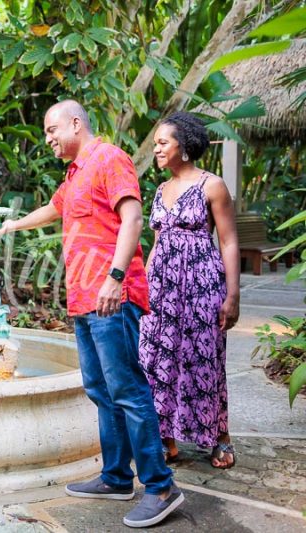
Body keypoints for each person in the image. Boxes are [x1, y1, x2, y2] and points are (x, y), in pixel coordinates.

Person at [0, 100, 184, 528]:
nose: (48, 138)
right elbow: (55, 209)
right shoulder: (76, 171)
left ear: (77, 123)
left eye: (51, 129)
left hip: (113, 296)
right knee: (100, 390)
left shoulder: (108, 158)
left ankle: (161, 486)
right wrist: (12, 225)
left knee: (128, 389)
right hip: (84, 300)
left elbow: (133, 218)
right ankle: (117, 478)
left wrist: (115, 277)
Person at [139, 111, 240, 469]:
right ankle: (166, 439)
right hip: (162, 288)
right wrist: (142, 290)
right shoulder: (160, 189)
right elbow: (156, 243)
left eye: (163, 143)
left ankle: (219, 437)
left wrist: (232, 295)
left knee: (204, 359)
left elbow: (228, 241)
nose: (157, 150)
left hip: (201, 286)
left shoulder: (212, 185)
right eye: (156, 145)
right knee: (157, 359)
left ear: (184, 144)